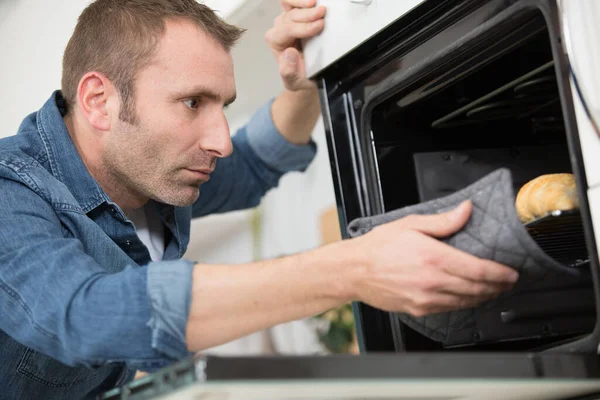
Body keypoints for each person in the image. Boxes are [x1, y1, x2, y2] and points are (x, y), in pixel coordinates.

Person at [0, 0, 519, 398]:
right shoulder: (11, 189)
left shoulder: (152, 174)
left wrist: (306, 81)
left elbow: (251, 162)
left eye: (221, 105)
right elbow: (85, 313)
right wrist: (353, 269)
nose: (220, 140)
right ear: (99, 100)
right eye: (192, 102)